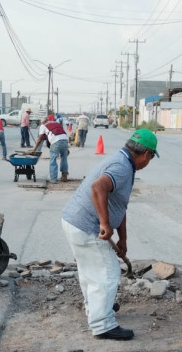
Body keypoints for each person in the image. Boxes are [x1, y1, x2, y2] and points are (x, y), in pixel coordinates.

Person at [60, 129, 159, 340]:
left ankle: (96, 308)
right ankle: (103, 324)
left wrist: (123, 239)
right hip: (86, 225)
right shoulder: (122, 167)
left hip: (74, 221)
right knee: (107, 273)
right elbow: (98, 188)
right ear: (146, 154)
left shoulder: (123, 162)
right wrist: (105, 223)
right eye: (150, 158)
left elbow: (118, 206)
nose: (148, 162)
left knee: (91, 271)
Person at [30, 115, 70, 183]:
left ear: (42, 122)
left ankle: (53, 179)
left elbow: (39, 140)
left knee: (53, 160)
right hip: (65, 140)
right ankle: (64, 176)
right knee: (64, 158)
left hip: (56, 141)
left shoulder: (43, 126)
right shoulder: (55, 123)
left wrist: (34, 149)